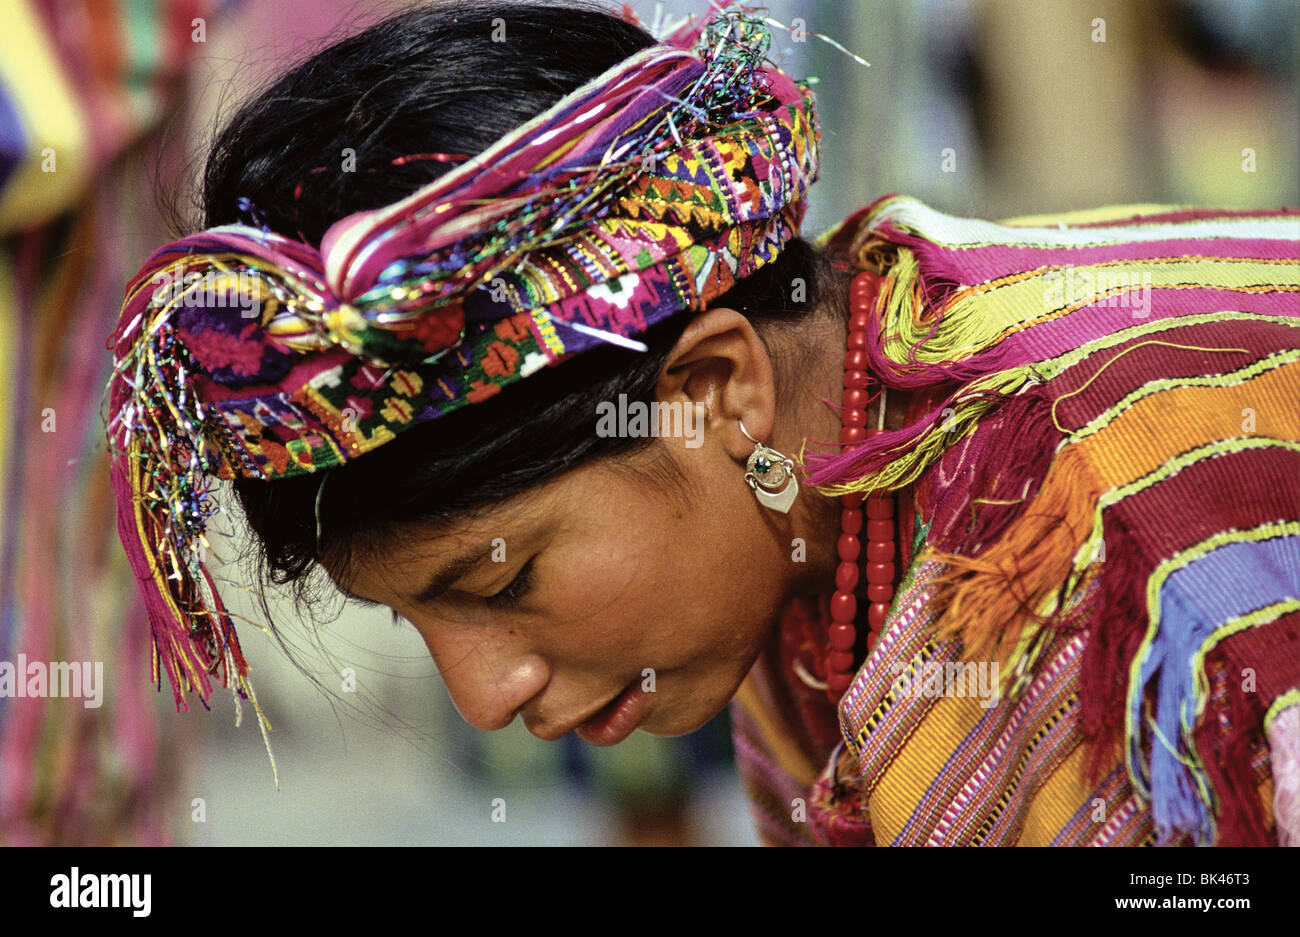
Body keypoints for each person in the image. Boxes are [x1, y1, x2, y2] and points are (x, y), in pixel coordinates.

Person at [106, 0, 1300, 846]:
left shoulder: (1121, 537)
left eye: (502, 578)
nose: (483, 695)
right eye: (415, 618)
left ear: (717, 390)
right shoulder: (813, 492)